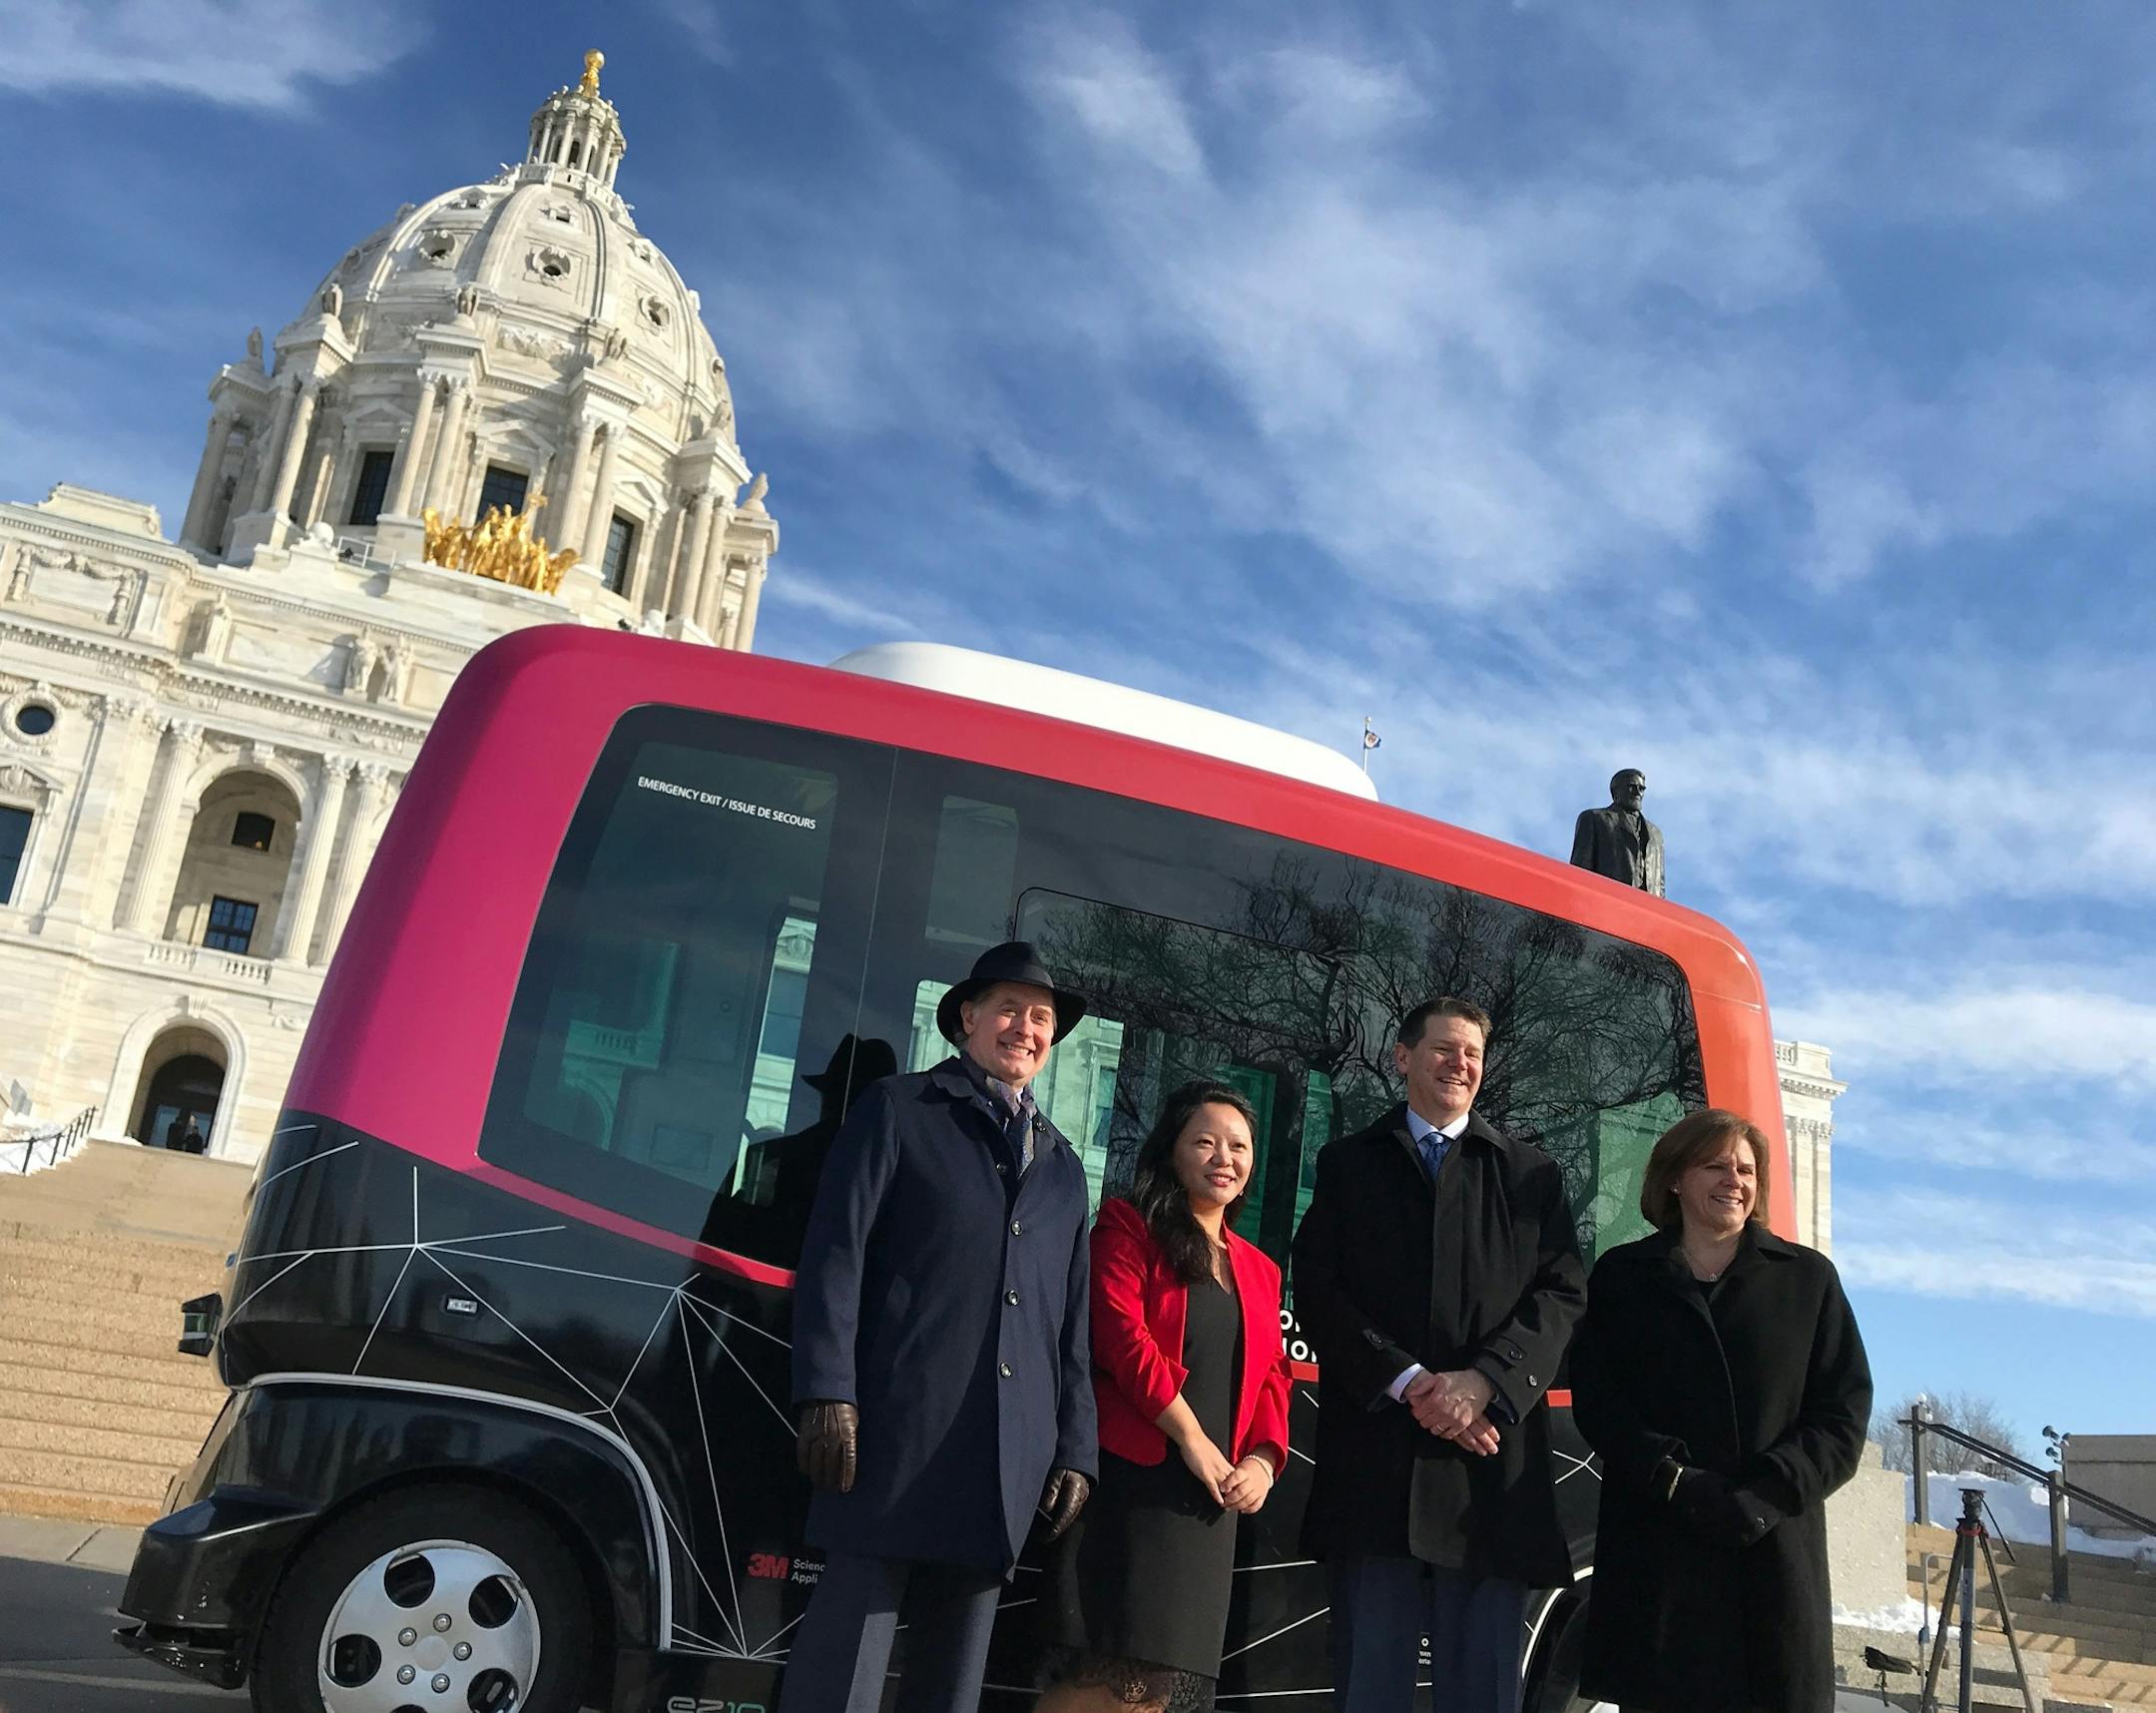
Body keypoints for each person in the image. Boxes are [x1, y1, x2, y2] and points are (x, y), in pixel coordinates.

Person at [784, 941, 1099, 1713]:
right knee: (842, 1674)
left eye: (1043, 1019)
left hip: (1004, 1457)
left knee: (951, 1688)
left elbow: (1072, 1328)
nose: (1026, 1029)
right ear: (968, 1018)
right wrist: (828, 1390)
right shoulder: (898, 1110)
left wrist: (1076, 1448)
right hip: (889, 1438)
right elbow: (836, 1258)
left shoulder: (1062, 1166)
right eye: (1010, 1010)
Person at [1291, 997, 1585, 1713]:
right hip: (1375, 1477)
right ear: (1402, 1058)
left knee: (1482, 1693)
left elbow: (1564, 1293)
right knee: (1370, 1690)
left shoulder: (1530, 1176)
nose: (1460, 1064)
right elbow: (1319, 1289)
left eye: (1472, 1055)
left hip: (1488, 1483)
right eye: (1443, 1049)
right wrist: (1411, 1381)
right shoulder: (1348, 1164)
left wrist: (1485, 1381)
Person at [1570, 1108, 1872, 1713]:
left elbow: (1842, 1415)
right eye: (1716, 1165)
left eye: (1746, 1169)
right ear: (1676, 1178)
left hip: (1771, 1562)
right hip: (1660, 1557)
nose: (1734, 1179)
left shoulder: (1808, 1280)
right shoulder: (1623, 1278)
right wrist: (1675, 1479)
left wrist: (1767, 1494)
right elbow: (1601, 1401)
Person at [1042, 1081, 1293, 1713]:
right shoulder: (1129, 1227)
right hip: (1134, 1487)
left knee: (1175, 1693)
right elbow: (1122, 1340)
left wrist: (1262, 1460)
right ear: (1171, 1151)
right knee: (1105, 1682)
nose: (1223, 1158)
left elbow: (1272, 1377)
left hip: (1209, 1508)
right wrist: (1192, 1439)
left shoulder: (1261, 1269)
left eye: (1238, 1146)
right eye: (1204, 1142)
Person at [1569, 769, 1665, 897]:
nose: (1637, 793)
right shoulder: (1594, 818)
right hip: (1607, 902)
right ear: (1616, 791)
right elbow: (1580, 872)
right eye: (1632, 787)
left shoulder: (1656, 834)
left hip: (1648, 910)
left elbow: (1660, 884)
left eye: (1641, 789)